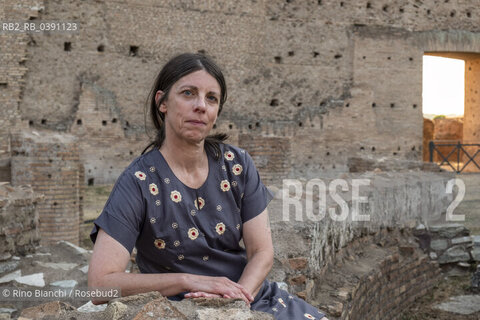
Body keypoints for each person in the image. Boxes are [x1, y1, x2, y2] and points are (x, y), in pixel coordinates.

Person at [88, 53, 328, 320]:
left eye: (211, 98)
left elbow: (261, 251)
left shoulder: (237, 165)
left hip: (252, 298)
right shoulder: (138, 182)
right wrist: (190, 281)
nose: (201, 106)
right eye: (188, 93)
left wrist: (237, 297)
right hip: (183, 308)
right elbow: (100, 285)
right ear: (162, 102)